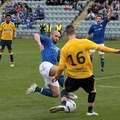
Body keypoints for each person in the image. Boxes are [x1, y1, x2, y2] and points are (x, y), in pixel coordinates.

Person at [49, 24, 120, 115]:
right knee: (92, 91)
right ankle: (90, 111)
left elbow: (61, 67)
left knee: (65, 89)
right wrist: (115, 51)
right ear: (75, 32)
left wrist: (56, 76)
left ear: (66, 34)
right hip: (87, 75)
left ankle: (63, 104)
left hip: (73, 76)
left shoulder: (64, 49)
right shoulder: (84, 42)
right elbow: (100, 47)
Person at [26, 30, 78, 100]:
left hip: (51, 70)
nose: (57, 38)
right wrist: (40, 44)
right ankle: (67, 92)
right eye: (56, 36)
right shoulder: (47, 41)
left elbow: (61, 62)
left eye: (58, 37)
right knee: (60, 69)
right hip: (45, 65)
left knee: (55, 94)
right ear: (51, 36)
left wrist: (71, 67)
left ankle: (36, 88)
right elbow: (36, 35)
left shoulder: (57, 49)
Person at [86, 2, 114, 72]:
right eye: (97, 18)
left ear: (101, 19)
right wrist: (85, 40)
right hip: (94, 43)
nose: (98, 19)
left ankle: (102, 68)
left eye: (99, 18)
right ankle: (90, 66)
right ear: (96, 19)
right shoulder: (93, 26)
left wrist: (111, 10)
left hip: (101, 43)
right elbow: (88, 33)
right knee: (90, 55)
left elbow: (109, 17)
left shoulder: (103, 23)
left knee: (101, 56)